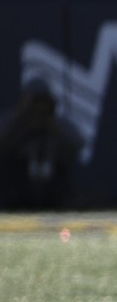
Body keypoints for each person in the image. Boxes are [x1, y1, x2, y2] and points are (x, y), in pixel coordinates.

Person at [0, 79, 84, 209]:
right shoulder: (14, 124)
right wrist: (21, 117)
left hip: (54, 200)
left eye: (43, 103)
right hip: (14, 200)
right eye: (35, 103)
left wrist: (52, 123)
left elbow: (78, 143)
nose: (39, 109)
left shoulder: (55, 126)